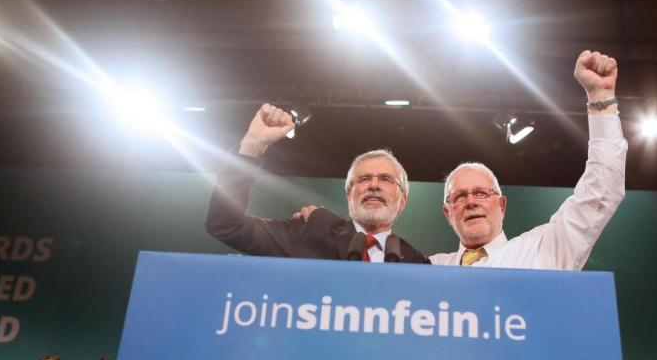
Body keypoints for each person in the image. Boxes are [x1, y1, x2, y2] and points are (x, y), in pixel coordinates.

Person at [430, 50, 626, 269]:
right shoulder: (427, 270)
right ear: (447, 213)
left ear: (501, 205)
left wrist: (601, 97)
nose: (471, 202)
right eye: (459, 197)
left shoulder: (544, 250)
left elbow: (602, 189)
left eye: (481, 193)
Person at [206, 103, 429, 263]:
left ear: (402, 201)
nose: (373, 184)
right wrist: (253, 145)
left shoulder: (416, 262)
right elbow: (226, 225)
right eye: (363, 179)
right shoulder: (310, 231)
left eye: (386, 179)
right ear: (349, 195)